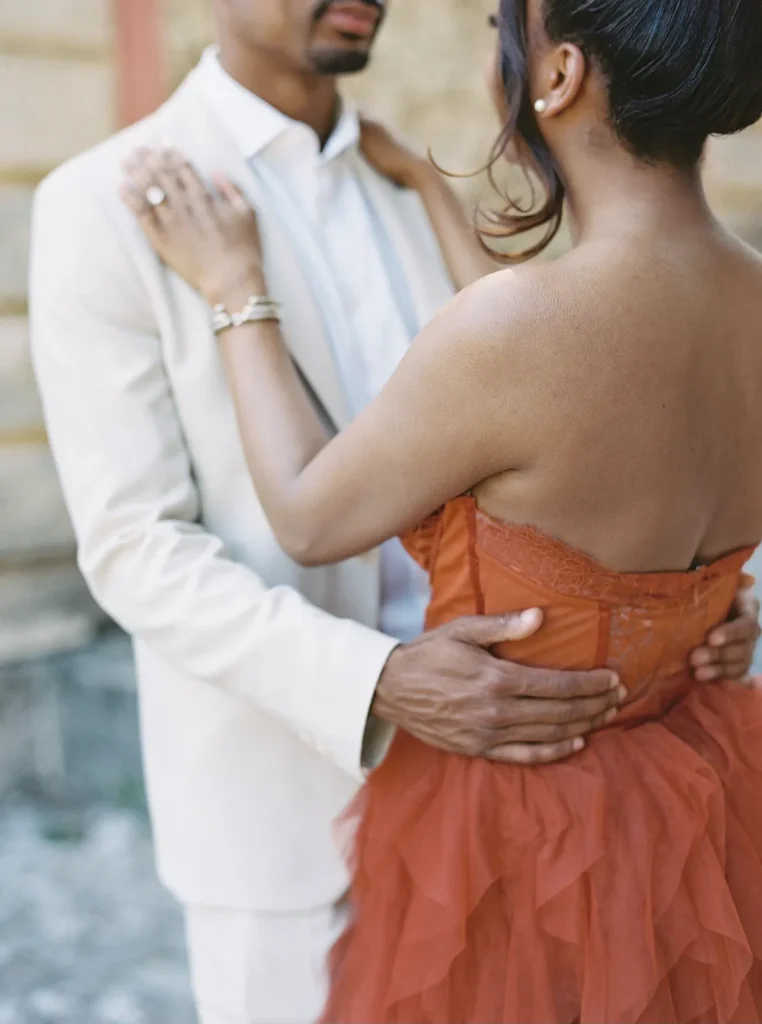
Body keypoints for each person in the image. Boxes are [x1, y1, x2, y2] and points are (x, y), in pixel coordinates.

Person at [30, 0, 758, 1021]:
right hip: (289, 815)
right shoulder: (98, 203)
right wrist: (373, 682)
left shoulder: (435, 201)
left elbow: (567, 420)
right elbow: (132, 546)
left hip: (544, 824)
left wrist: (681, 606)